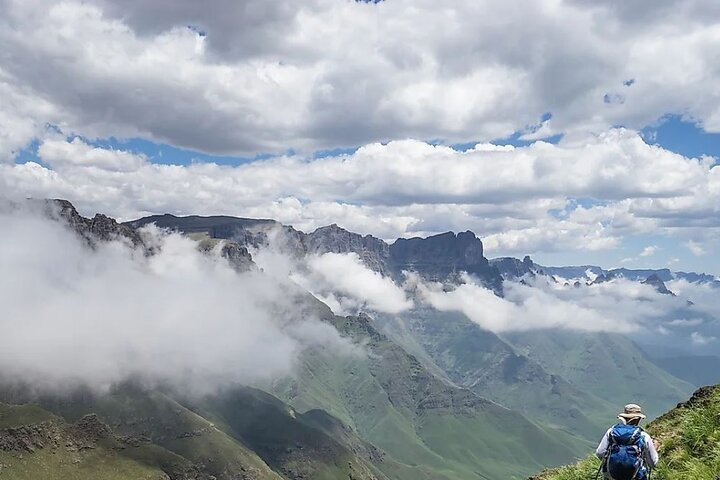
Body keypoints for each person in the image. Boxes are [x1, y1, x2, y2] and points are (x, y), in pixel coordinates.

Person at [595, 404, 659, 480]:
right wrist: (655, 448)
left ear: (623, 418)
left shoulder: (611, 432)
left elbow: (600, 453)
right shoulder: (643, 436)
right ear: (638, 419)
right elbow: (652, 463)